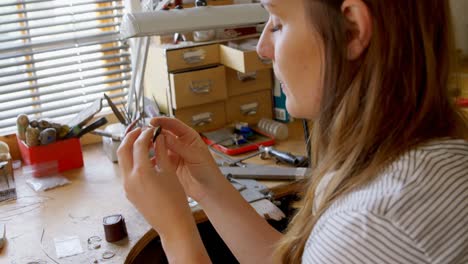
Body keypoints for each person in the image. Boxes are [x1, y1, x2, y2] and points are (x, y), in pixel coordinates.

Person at [117, 0, 468, 263]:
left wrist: (175, 231)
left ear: (353, 30)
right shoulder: (430, 150)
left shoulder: (373, 223)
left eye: (279, 23)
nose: (262, 48)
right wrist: (205, 185)